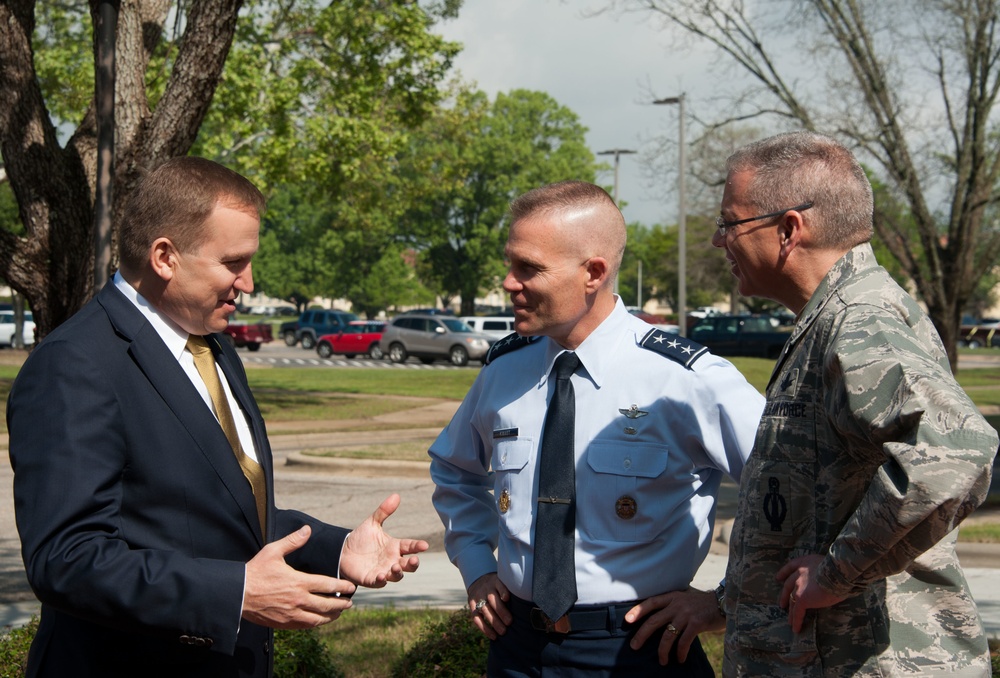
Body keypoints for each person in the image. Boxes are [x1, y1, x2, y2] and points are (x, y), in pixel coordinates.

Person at [7, 156, 428, 678]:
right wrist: (235, 595)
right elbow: (67, 559)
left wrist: (337, 547)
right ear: (165, 257)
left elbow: (220, 514)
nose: (248, 283)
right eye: (234, 262)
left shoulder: (215, 349)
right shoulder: (74, 365)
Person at [429, 180, 765, 676]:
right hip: (516, 649)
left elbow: (792, 494)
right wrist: (477, 567)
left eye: (529, 268)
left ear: (594, 272)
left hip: (637, 652)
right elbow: (455, 471)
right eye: (510, 263)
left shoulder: (685, 378)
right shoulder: (504, 370)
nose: (508, 282)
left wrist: (722, 602)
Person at [714, 131, 998, 676]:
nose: (717, 240)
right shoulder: (833, 317)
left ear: (789, 230)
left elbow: (956, 453)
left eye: (730, 223)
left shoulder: (859, 319)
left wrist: (833, 575)